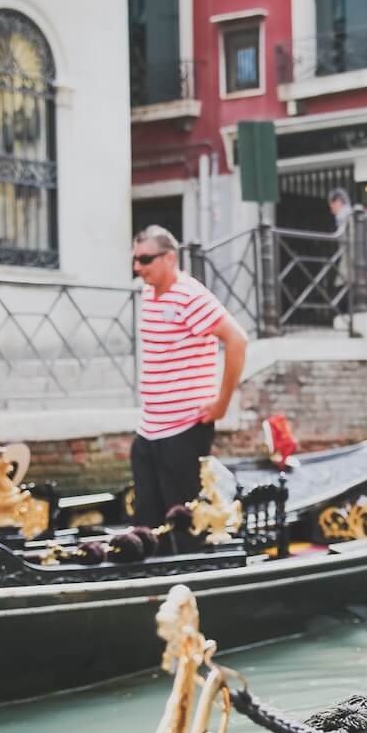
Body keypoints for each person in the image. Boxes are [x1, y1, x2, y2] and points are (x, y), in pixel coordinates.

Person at [130, 225, 247, 527]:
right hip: (149, 429)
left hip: (183, 430)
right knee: (147, 520)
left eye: (145, 260)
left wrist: (222, 404)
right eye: (135, 260)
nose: (137, 268)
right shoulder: (148, 295)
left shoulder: (189, 295)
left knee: (183, 523)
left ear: (169, 258)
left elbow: (237, 339)